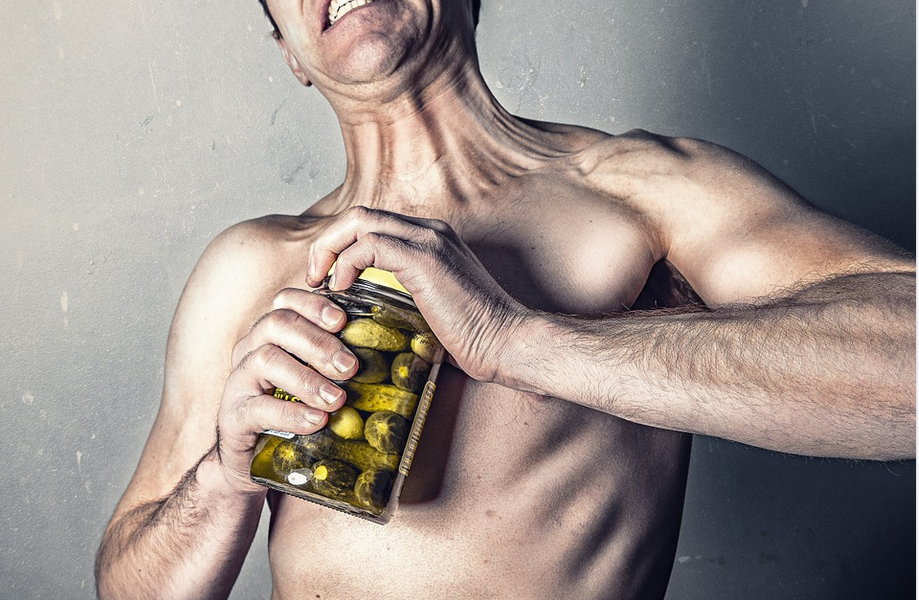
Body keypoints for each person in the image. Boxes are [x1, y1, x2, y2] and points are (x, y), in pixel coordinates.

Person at [95, 0, 916, 599]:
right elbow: (128, 587)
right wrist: (225, 481)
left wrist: (515, 340)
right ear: (288, 52)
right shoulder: (247, 267)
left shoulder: (641, 197)